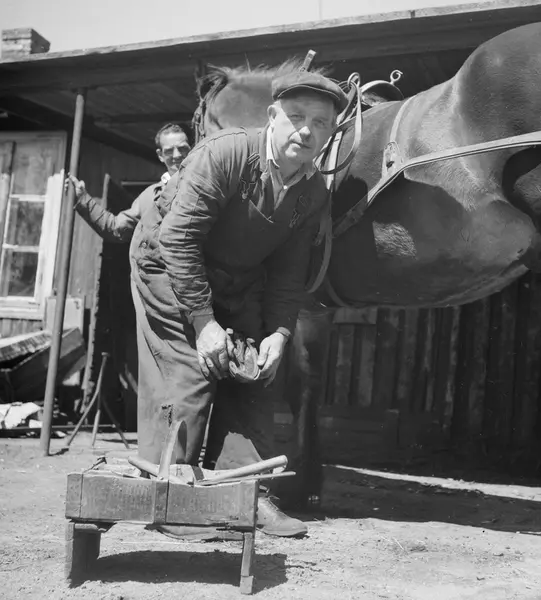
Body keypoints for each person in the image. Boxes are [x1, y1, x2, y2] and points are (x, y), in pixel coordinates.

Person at [130, 71, 347, 538]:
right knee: (193, 369)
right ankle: (172, 498)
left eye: (321, 123)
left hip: (235, 277)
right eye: (296, 117)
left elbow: (288, 273)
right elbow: (178, 239)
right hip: (166, 262)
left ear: (332, 132)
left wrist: (279, 334)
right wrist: (204, 323)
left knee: (255, 372)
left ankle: (244, 495)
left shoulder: (313, 192)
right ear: (272, 116)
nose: (306, 131)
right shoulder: (226, 153)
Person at [67, 122, 191, 242]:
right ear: (160, 155)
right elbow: (116, 228)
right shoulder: (150, 196)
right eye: (169, 151)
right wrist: (82, 199)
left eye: (182, 148)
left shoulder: (201, 187)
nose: (177, 155)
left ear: (193, 149)